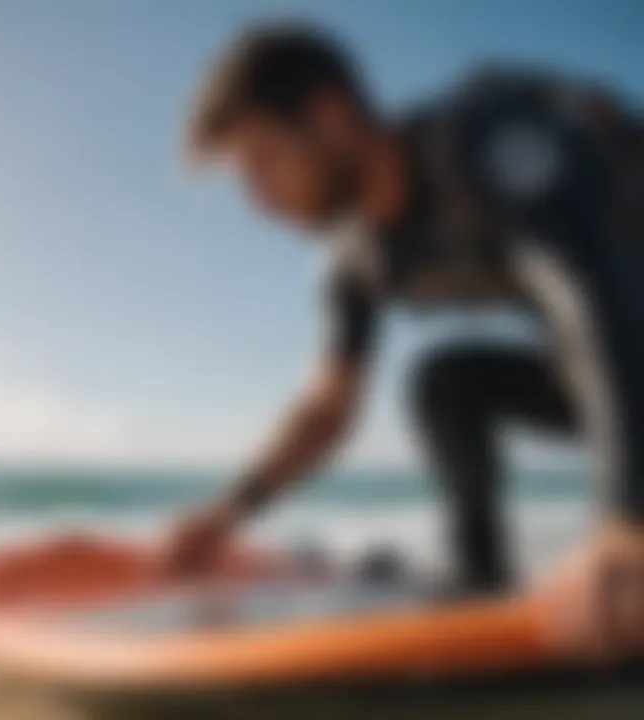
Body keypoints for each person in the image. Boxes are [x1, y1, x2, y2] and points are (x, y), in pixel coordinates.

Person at [165, 23, 644, 658]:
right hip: (613, 374)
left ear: (330, 114)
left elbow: (588, 290)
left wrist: (625, 529)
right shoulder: (357, 259)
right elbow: (325, 410)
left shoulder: (484, 142)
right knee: (446, 384)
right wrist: (227, 515)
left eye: (263, 161)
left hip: (623, 331)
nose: (258, 202)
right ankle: (483, 596)